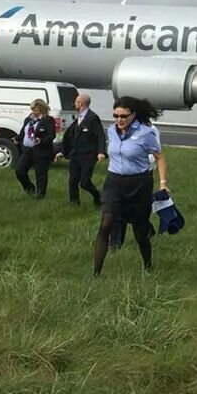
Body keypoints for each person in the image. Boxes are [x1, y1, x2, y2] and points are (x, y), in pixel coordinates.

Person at [93, 97, 167, 276]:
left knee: (140, 230)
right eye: (115, 115)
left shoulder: (145, 133)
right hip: (114, 182)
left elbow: (160, 158)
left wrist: (163, 183)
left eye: (123, 116)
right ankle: (96, 273)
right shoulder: (111, 131)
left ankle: (148, 266)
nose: (119, 120)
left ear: (133, 115)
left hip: (139, 184)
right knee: (106, 224)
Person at [60, 93, 106, 206]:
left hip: (88, 155)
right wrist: (62, 151)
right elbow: (70, 135)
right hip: (75, 154)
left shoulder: (92, 118)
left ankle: (98, 196)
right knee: (73, 179)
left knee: (84, 182)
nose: (74, 104)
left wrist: (101, 152)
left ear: (81, 103)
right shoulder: (78, 118)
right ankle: (74, 203)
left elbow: (100, 135)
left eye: (76, 102)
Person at [14, 99, 57, 198]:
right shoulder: (28, 119)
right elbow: (23, 133)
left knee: (40, 174)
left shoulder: (48, 120)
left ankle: (40, 194)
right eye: (32, 110)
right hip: (27, 150)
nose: (33, 112)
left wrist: (41, 141)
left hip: (41, 151)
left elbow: (51, 135)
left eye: (36, 110)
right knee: (19, 170)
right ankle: (29, 189)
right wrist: (16, 138)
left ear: (42, 110)